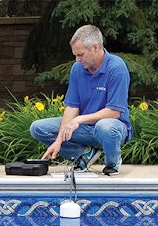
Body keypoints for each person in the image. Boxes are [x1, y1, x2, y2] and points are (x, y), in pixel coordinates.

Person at [30, 24, 132, 176]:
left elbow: (114, 112)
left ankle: (112, 162)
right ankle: (83, 155)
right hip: (85, 128)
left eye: (80, 54)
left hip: (112, 128)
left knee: (105, 127)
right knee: (38, 128)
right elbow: (72, 108)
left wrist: (78, 120)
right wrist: (58, 141)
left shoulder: (116, 68)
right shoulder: (77, 69)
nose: (77, 60)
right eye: (75, 55)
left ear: (95, 48)